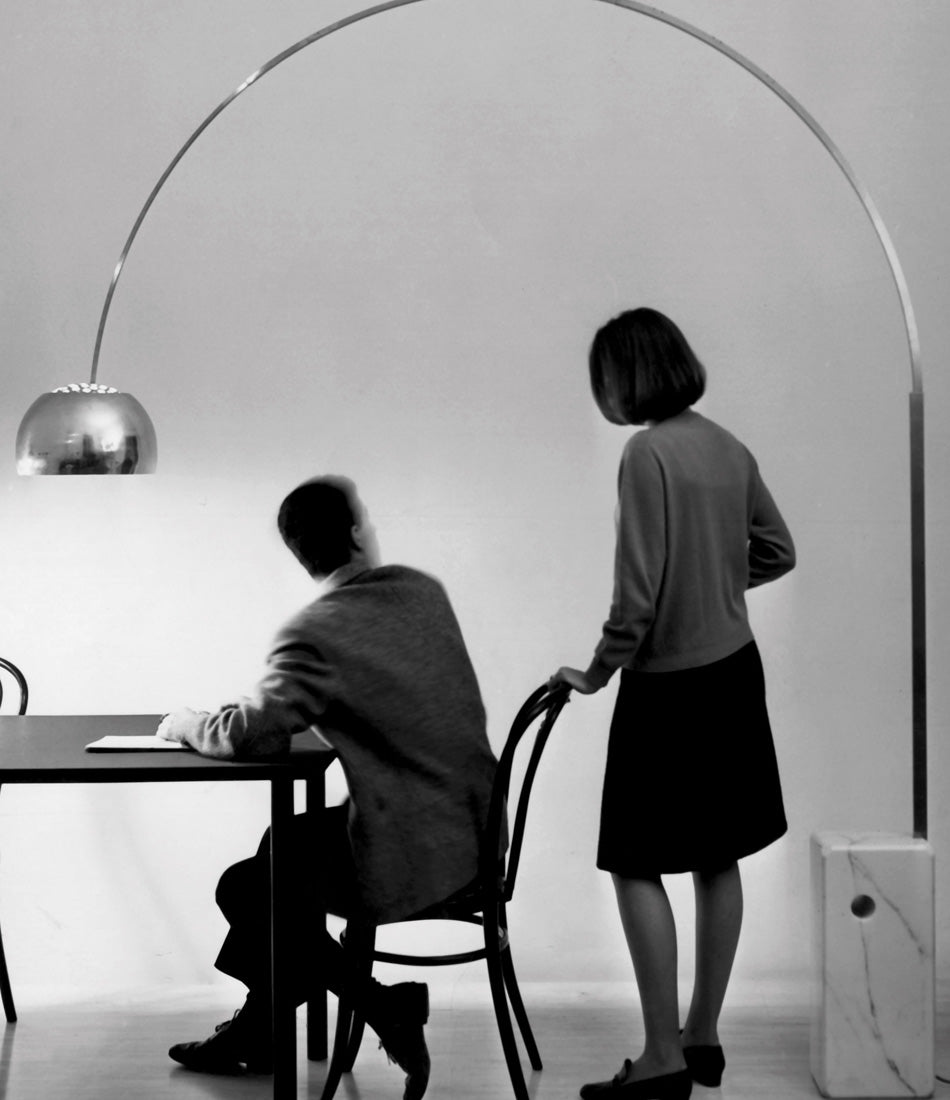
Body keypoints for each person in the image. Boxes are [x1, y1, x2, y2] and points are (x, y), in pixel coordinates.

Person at [158, 474, 499, 1100]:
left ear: (299, 552)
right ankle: (261, 1030)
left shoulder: (314, 631)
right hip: (475, 832)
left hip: (412, 849)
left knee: (248, 885)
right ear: (354, 534)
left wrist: (184, 722)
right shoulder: (421, 592)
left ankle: (376, 1005)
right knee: (279, 846)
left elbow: (247, 735)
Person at [550, 308, 795, 1100]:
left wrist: (595, 671)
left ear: (626, 376)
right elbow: (778, 549)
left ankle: (660, 1057)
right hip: (734, 674)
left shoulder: (645, 452)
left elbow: (637, 595)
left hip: (668, 688)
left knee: (634, 859)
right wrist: (718, 583)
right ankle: (703, 1035)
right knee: (716, 855)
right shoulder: (727, 445)